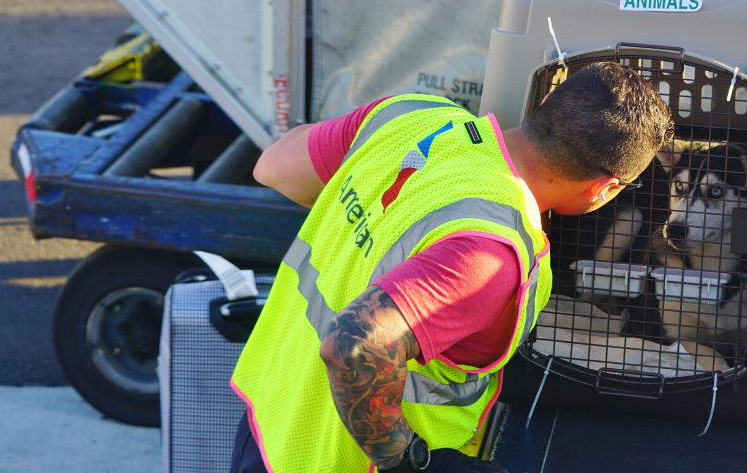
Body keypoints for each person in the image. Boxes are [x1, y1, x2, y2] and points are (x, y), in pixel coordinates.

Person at [229, 62, 674, 473]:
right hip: (334, 460)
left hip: (270, 421)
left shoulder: (414, 116)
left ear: (544, 105)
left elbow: (273, 167)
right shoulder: (492, 250)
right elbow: (356, 346)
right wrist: (408, 461)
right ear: (604, 189)